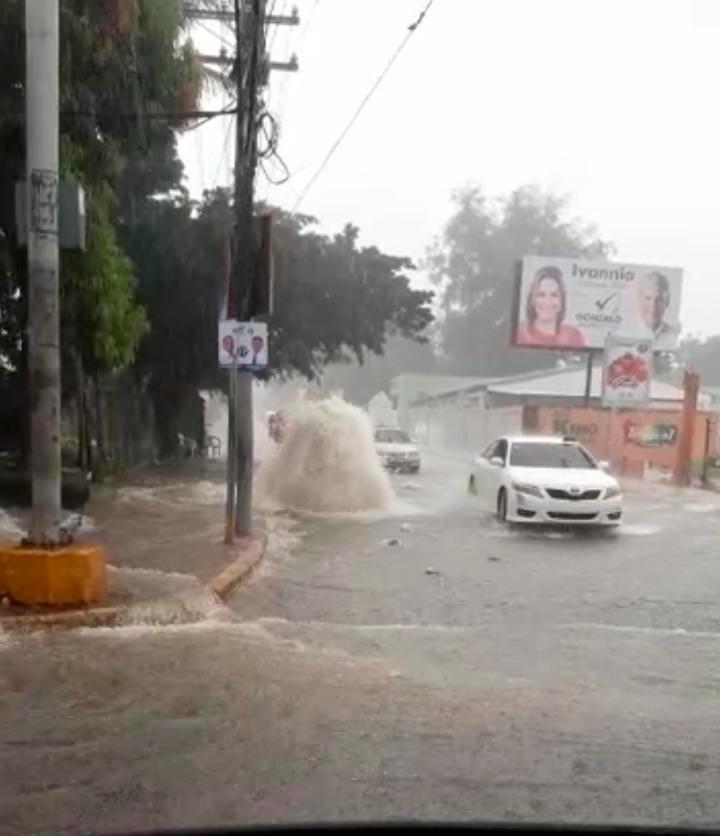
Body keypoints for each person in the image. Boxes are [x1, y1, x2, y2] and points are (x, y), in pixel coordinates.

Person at [516, 266, 586, 348]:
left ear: (562, 300)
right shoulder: (520, 333)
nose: (548, 301)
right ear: (532, 299)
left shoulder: (575, 336)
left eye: (554, 295)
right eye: (541, 295)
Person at [637, 271, 677, 347]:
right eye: (648, 298)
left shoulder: (671, 336)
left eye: (659, 300)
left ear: (667, 302)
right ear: (639, 300)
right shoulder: (623, 332)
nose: (653, 305)